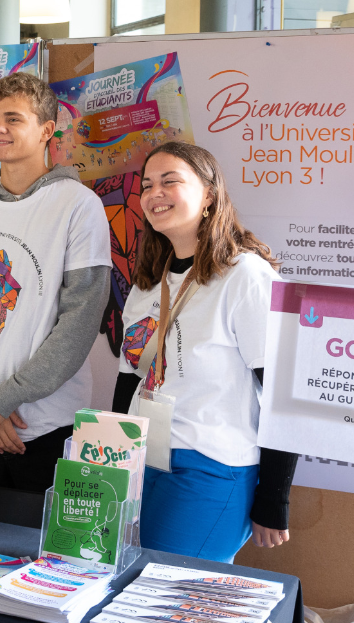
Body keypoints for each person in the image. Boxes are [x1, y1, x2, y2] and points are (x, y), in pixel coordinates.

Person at [113, 141, 297, 563]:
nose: (155, 193)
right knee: (124, 591)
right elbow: (129, 382)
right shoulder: (147, 285)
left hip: (212, 468)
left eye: (170, 182)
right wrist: (114, 465)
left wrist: (274, 497)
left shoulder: (244, 275)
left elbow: (282, 395)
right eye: (147, 185)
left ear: (210, 195)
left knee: (164, 596)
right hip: (142, 463)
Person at [0, 72, 110, 494]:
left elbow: (79, 321)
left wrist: (0, 402)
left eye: (13, 119)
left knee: (42, 553)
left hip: (49, 423)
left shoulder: (78, 205)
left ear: (47, 130)